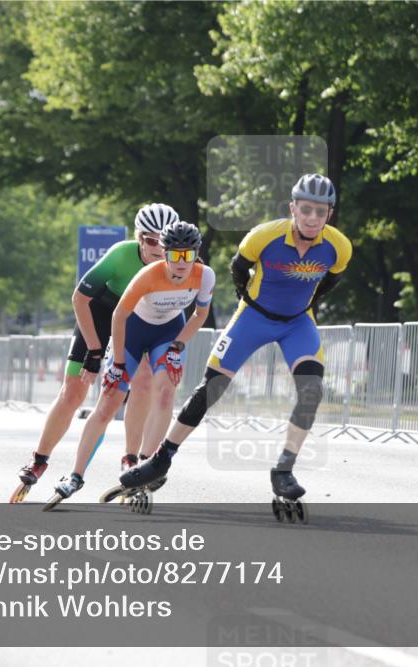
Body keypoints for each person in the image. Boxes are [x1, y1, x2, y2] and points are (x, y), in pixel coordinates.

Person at [116, 174, 351, 504]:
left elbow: (330, 281)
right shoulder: (264, 236)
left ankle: (284, 470)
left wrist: (306, 305)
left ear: (330, 214)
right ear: (293, 208)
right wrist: (246, 298)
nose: (313, 218)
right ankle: (161, 458)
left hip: (298, 323)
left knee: (311, 390)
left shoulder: (339, 246)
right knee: (211, 388)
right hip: (253, 317)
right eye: (306, 210)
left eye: (321, 212)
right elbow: (238, 267)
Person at [9, 203, 180, 502]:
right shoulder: (120, 255)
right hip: (101, 312)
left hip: (138, 319)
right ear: (140, 238)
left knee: (142, 382)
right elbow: (80, 298)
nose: (158, 248)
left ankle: (131, 458)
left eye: (165, 242)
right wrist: (94, 349)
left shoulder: (175, 263)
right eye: (152, 240)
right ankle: (40, 459)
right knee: (73, 391)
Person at [43, 221, 214, 509]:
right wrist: (119, 362)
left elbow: (199, 314)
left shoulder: (205, 276)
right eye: (174, 255)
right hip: (132, 331)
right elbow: (119, 316)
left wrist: (178, 346)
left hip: (168, 332)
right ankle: (75, 475)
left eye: (188, 255)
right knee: (109, 402)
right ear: (165, 253)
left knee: (165, 393)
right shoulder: (149, 275)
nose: (181, 263)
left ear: (197, 254)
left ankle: (146, 465)